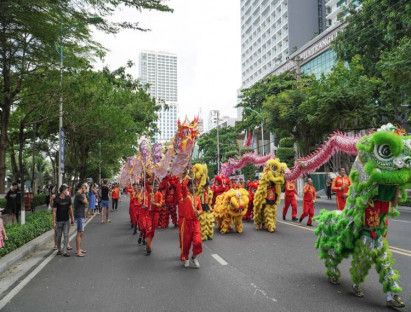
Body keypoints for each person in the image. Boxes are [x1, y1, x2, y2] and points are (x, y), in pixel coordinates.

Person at [174, 177, 202, 268]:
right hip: (186, 223)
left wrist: (199, 212)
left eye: (194, 186)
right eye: (191, 186)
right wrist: (186, 175)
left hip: (195, 223)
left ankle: (193, 258)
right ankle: (186, 258)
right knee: (186, 243)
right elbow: (183, 186)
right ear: (188, 188)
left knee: (197, 242)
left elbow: (200, 209)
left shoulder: (197, 198)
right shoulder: (185, 196)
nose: (193, 188)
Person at [53, 185, 74, 257]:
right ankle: (59, 249)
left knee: (66, 235)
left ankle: (64, 251)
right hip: (58, 221)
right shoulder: (56, 200)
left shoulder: (68, 198)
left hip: (66, 220)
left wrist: (72, 218)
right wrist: (54, 222)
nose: (67, 191)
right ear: (62, 191)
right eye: (66, 190)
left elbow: (70, 208)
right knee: (59, 236)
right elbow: (54, 211)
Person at [144, 181, 163, 255]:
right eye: (155, 186)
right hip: (149, 214)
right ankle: (149, 246)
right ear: (153, 187)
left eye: (158, 186)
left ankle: (148, 243)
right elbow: (146, 184)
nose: (156, 188)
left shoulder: (160, 194)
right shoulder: (150, 192)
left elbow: (160, 204)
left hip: (156, 214)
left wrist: (154, 203)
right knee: (149, 229)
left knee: (153, 231)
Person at [74, 183, 88, 257]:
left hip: (80, 215)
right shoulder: (79, 195)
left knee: (81, 233)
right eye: (85, 188)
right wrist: (84, 194)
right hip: (79, 216)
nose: (85, 190)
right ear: (82, 188)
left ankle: (79, 248)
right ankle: (78, 250)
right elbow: (86, 202)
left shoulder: (78, 195)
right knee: (79, 233)